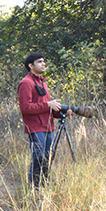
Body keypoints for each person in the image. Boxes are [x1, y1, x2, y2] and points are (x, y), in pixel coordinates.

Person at [17, 52, 72, 187]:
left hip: (48, 127)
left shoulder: (43, 83)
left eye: (43, 61)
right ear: (31, 65)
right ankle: (34, 188)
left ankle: (44, 185)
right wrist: (48, 104)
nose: (43, 64)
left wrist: (62, 113)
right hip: (36, 128)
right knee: (38, 158)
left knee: (47, 158)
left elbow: (47, 109)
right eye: (40, 61)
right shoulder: (26, 83)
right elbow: (25, 108)